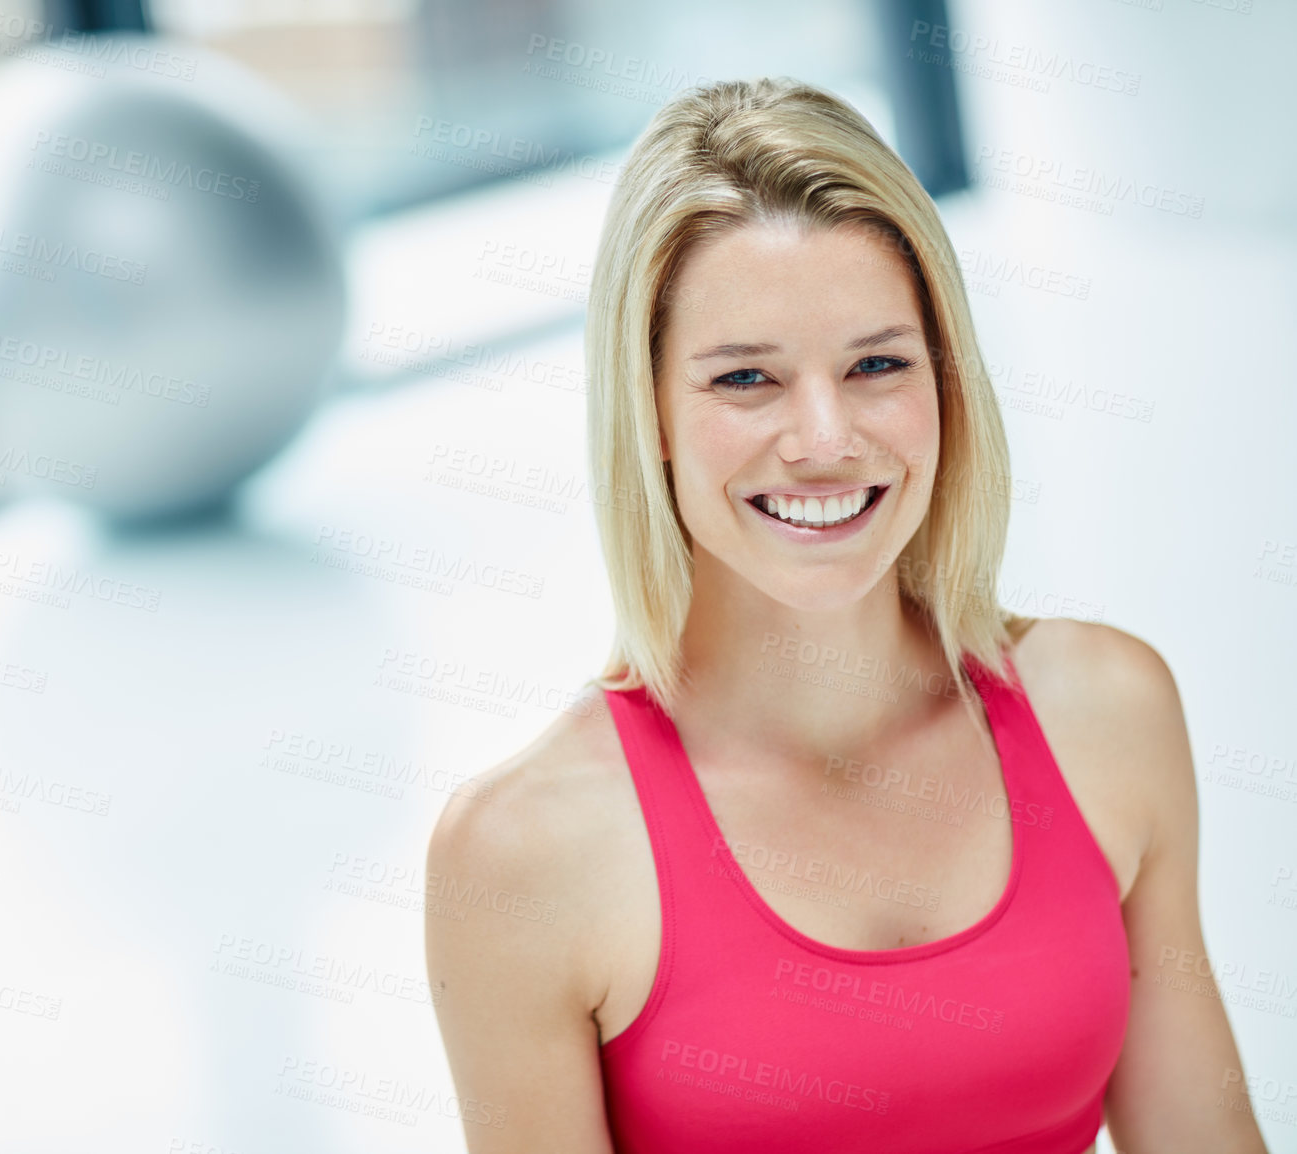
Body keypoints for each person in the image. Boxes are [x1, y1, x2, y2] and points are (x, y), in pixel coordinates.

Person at [424, 77, 1269, 1154]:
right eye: (745, 379)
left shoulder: (1105, 711)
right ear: (650, 412)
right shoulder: (524, 851)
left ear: (945, 381)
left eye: (876, 364)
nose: (824, 438)